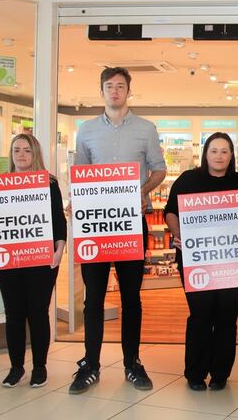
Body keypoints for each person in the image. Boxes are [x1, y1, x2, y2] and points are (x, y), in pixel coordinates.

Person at [70, 66, 167, 394]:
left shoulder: (146, 129)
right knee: (92, 299)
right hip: (96, 227)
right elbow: (80, 175)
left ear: (129, 91)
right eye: (109, 86)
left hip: (131, 224)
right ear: (102, 91)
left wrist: (141, 191)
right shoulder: (85, 131)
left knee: (131, 297)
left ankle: (132, 363)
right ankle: (91, 364)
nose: (114, 91)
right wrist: (76, 202)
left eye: (120, 86)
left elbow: (159, 169)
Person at [164, 132, 238, 391]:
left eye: (224, 151)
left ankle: (220, 373)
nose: (219, 156)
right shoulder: (188, 180)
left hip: (231, 261)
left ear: (231, 155)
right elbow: (170, 212)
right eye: (214, 150)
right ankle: (195, 373)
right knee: (200, 315)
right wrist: (178, 234)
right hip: (197, 261)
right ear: (205, 153)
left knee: (227, 317)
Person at [0, 133, 67, 389]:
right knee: (13, 314)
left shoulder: (48, 184)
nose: (21, 155)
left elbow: (58, 220)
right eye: (16, 150)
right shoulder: (0, 184)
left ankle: (39, 366)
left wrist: (59, 250)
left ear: (35, 153)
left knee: (38, 313)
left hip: (41, 258)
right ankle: (16, 367)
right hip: (9, 258)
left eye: (27, 150)